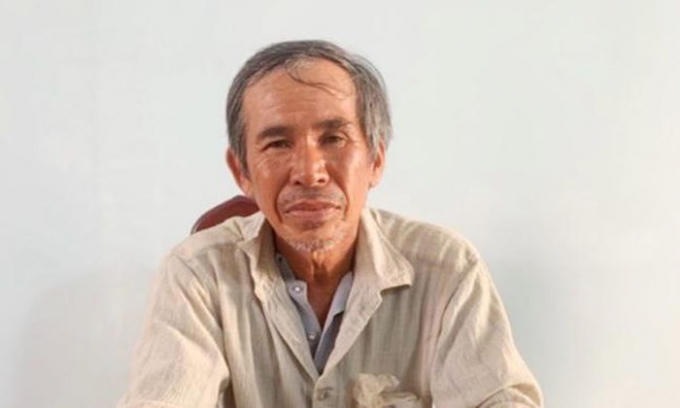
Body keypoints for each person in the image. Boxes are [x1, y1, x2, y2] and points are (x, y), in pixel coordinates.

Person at [117, 40, 543, 408]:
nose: (310, 172)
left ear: (376, 159)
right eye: (278, 143)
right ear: (241, 171)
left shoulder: (446, 268)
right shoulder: (197, 274)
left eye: (333, 139)